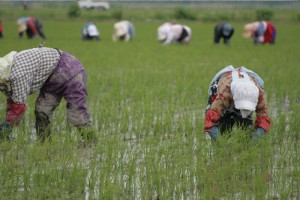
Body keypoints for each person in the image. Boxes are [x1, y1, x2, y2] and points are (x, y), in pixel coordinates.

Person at [0, 46, 91, 141]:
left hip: (70, 69)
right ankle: (44, 143)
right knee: (42, 110)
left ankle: (91, 141)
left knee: (77, 112)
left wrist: (7, 125)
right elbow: (12, 100)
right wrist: (8, 120)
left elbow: (19, 106)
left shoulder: (17, 76)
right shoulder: (4, 75)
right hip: (51, 79)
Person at [204, 66, 271, 141]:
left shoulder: (260, 94)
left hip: (240, 89)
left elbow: (263, 120)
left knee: (246, 132)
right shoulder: (225, 94)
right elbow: (210, 122)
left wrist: (255, 140)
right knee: (224, 129)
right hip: (223, 91)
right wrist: (221, 144)